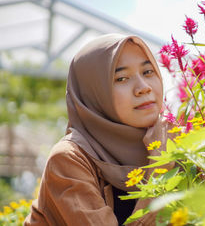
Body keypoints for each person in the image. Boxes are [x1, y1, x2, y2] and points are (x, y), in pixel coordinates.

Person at [24, 34, 174, 226]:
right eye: (121, 78)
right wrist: (161, 166)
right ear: (94, 93)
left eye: (147, 72)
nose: (143, 88)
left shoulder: (172, 137)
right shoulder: (69, 159)